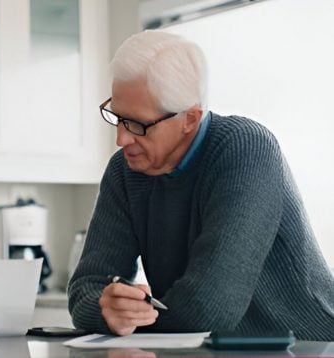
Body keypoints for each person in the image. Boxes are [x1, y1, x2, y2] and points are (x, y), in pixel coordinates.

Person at [67, 30, 334, 341]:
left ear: (190, 119)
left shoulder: (246, 148)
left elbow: (209, 307)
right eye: (117, 117)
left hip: (309, 346)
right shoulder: (125, 170)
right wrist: (106, 309)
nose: (122, 139)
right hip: (202, 347)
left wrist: (130, 323)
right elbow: (86, 287)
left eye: (137, 124)